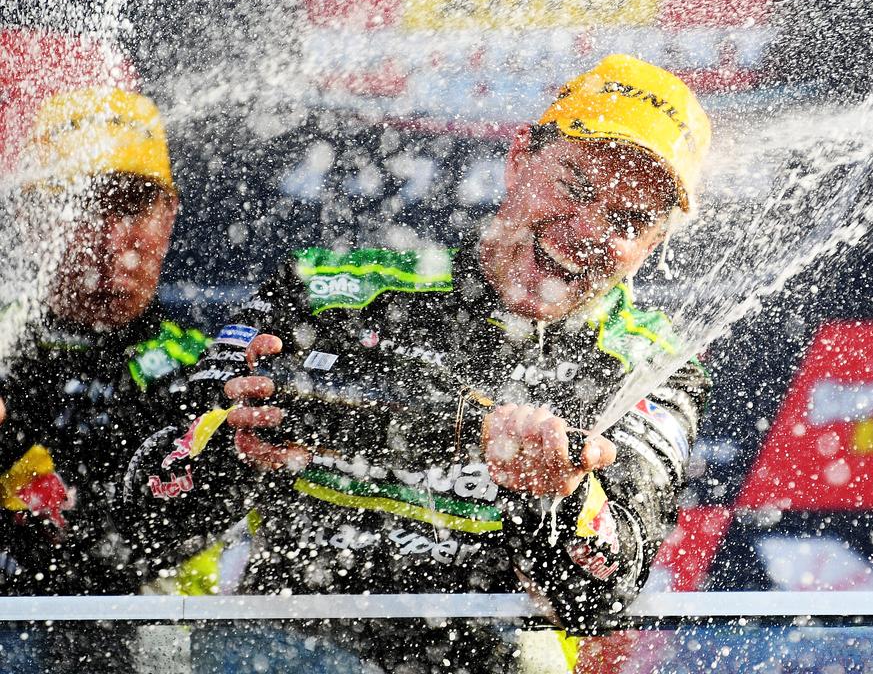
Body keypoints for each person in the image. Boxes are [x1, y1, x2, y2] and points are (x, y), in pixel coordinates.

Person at [121, 54, 712, 673]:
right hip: (289, 639)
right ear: (518, 160)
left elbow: (604, 593)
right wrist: (228, 453)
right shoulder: (326, 286)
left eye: (628, 219)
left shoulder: (653, 361)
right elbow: (143, 509)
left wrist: (563, 494)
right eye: (577, 187)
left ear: (655, 245)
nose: (587, 230)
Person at [0, 88, 209, 671]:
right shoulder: (2, 347)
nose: (112, 239)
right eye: (85, 204)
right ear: (29, 216)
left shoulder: (206, 367)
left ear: (169, 216)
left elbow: (153, 535)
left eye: (134, 207)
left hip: (168, 647)